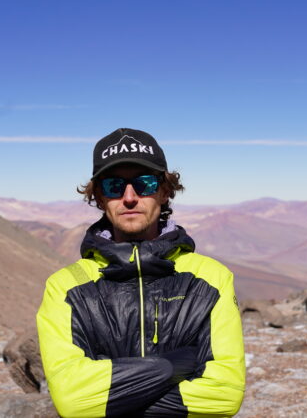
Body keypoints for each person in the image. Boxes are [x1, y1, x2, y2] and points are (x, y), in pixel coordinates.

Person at [37, 128, 245, 417]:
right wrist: (172, 366)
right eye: (114, 186)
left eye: (144, 183)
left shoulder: (211, 279)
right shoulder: (65, 287)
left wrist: (118, 396)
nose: (130, 197)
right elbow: (72, 400)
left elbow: (225, 394)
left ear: (164, 191)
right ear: (98, 196)